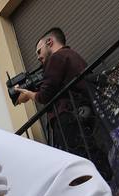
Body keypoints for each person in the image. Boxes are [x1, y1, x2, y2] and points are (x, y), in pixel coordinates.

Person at [13, 27, 108, 180]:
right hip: (83, 112)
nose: (38, 58)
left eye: (39, 51)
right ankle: (105, 180)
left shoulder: (57, 58)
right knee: (91, 157)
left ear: (50, 42)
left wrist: (29, 94)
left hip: (68, 117)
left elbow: (44, 96)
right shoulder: (71, 55)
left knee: (80, 165)